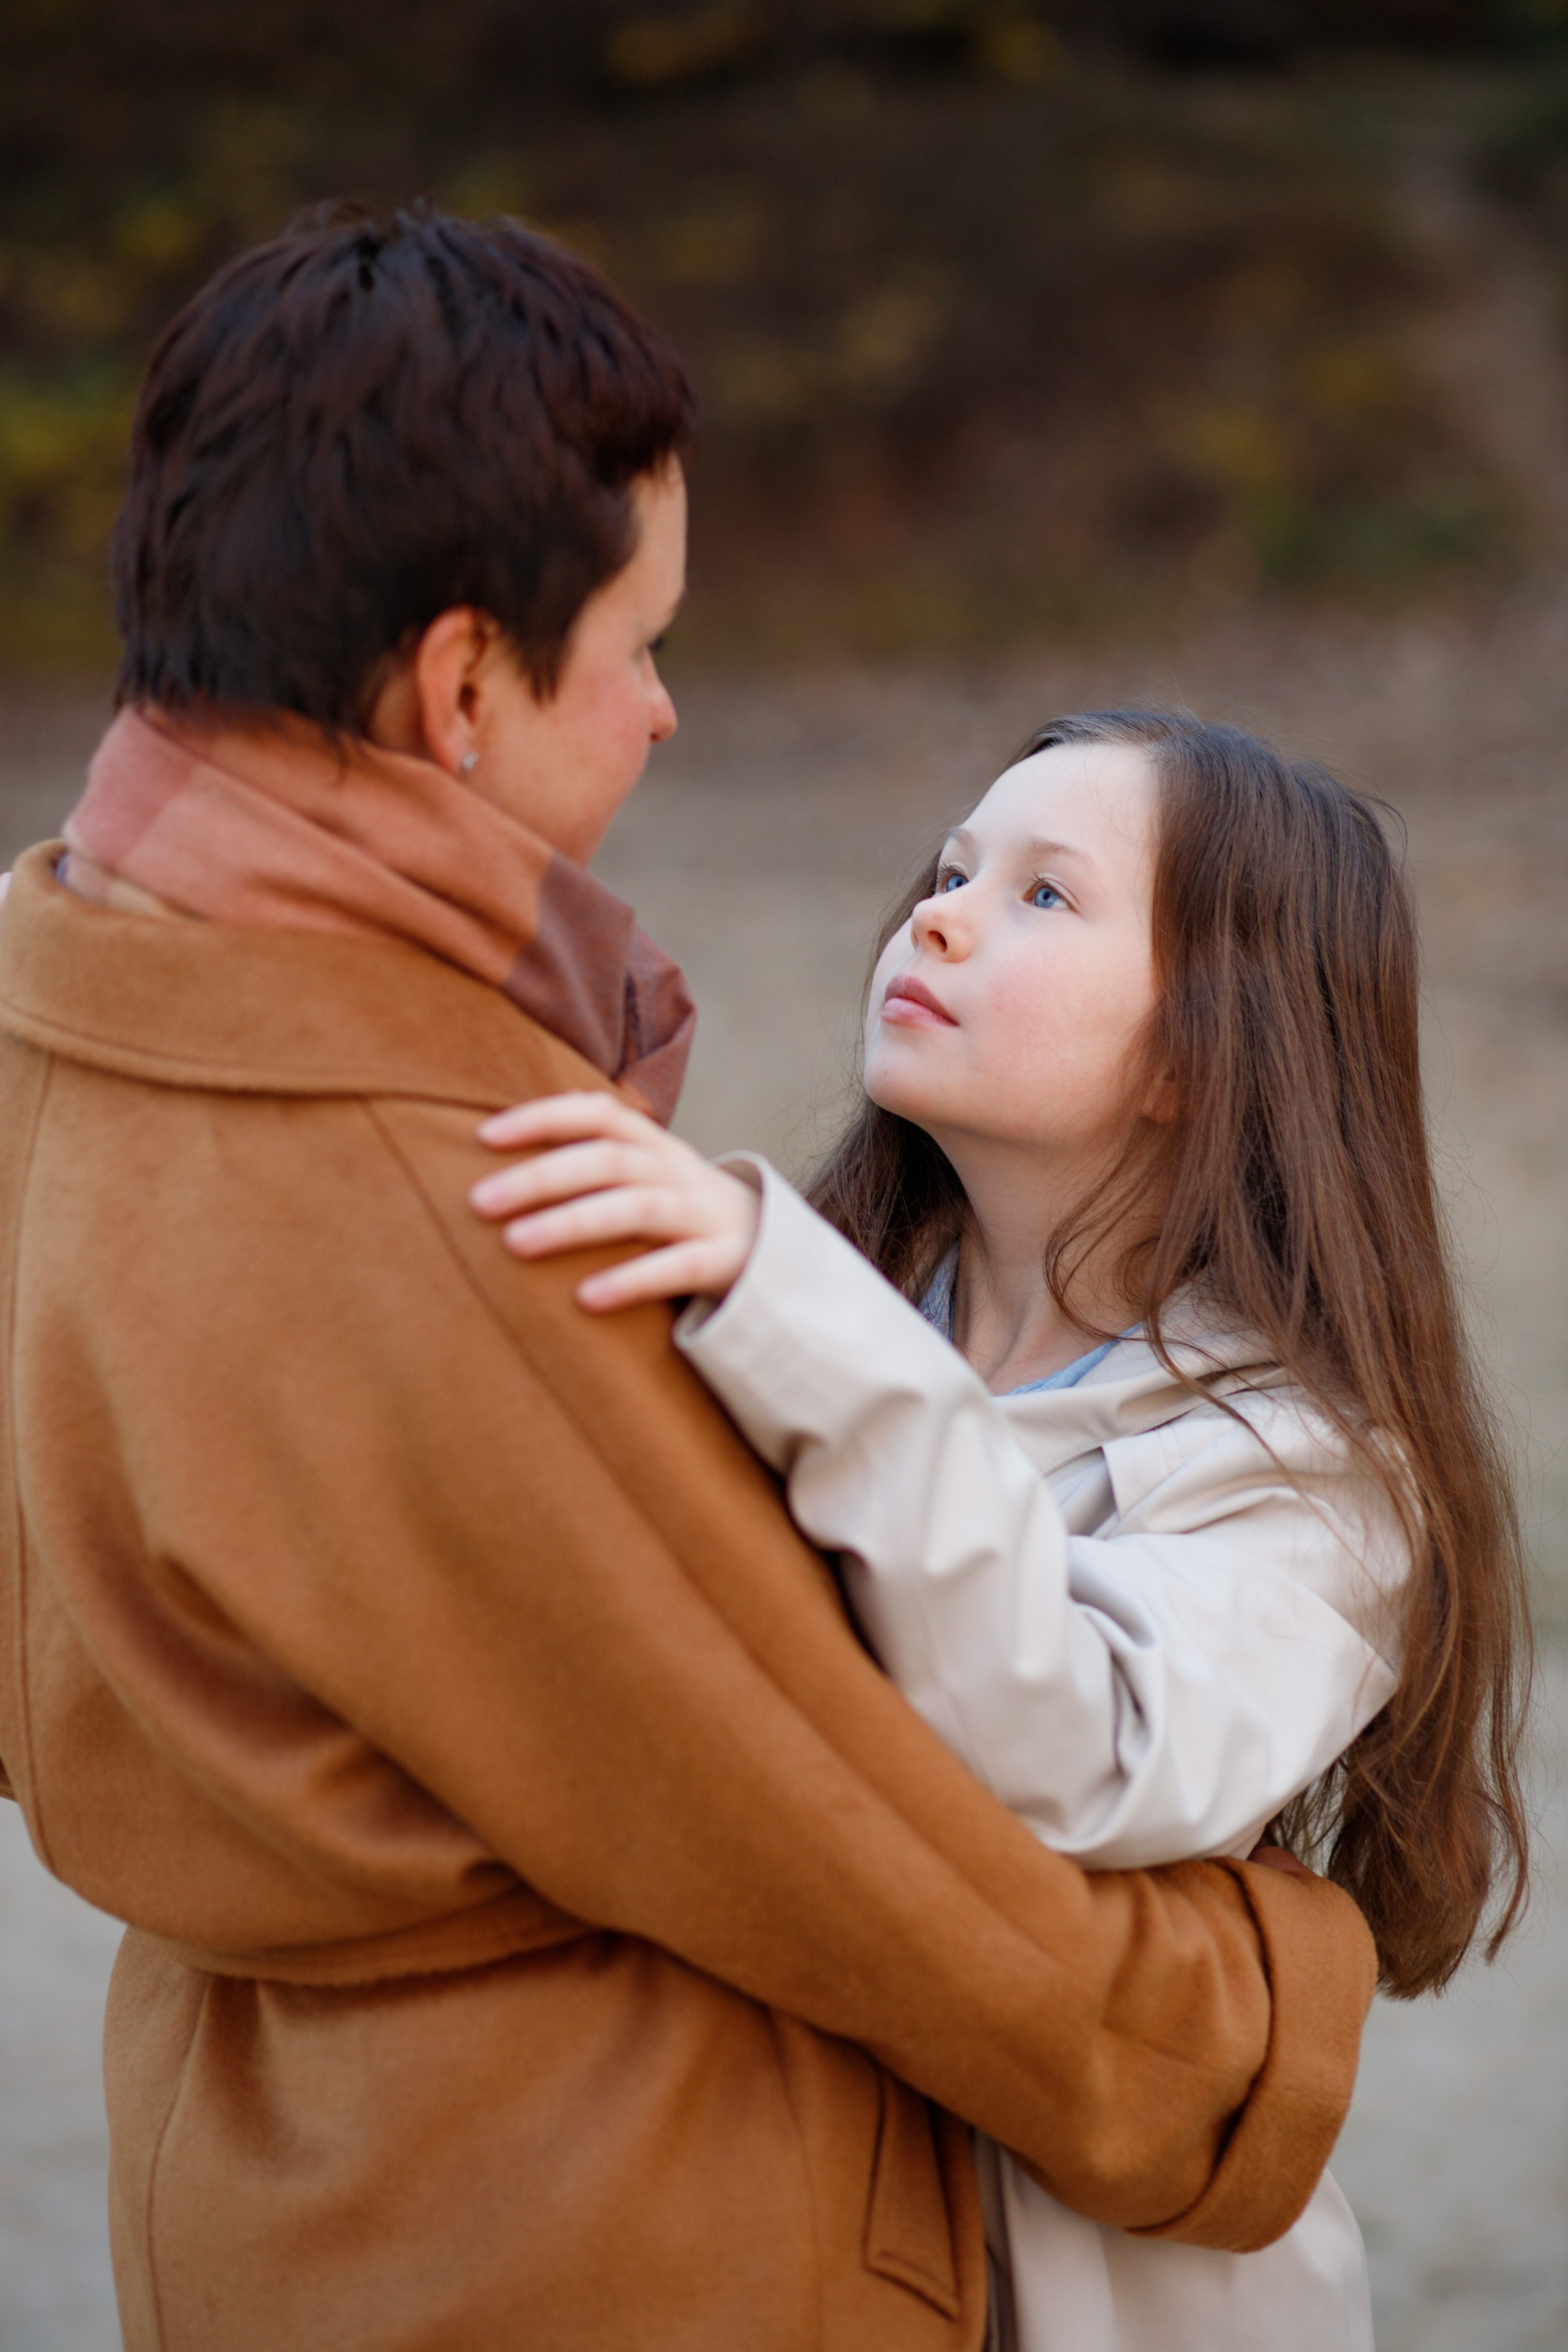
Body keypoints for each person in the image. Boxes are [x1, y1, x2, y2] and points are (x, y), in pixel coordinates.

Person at [0, 208, 1382, 2352]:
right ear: (464, 682)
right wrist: (1239, 2025)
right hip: (587, 2226)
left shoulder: (57, 1033)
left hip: (263, 2170)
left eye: (1038, 895)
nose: (663, 708)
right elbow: (839, 1845)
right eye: (639, 639)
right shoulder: (470, 1182)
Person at [471, 710, 1532, 2352]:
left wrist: (795, 1320)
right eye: (954, 868)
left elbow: (1090, 1747)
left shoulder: (1313, 1468)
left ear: (1205, 1048)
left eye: (1048, 897)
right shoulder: (802, 1315)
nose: (941, 913)